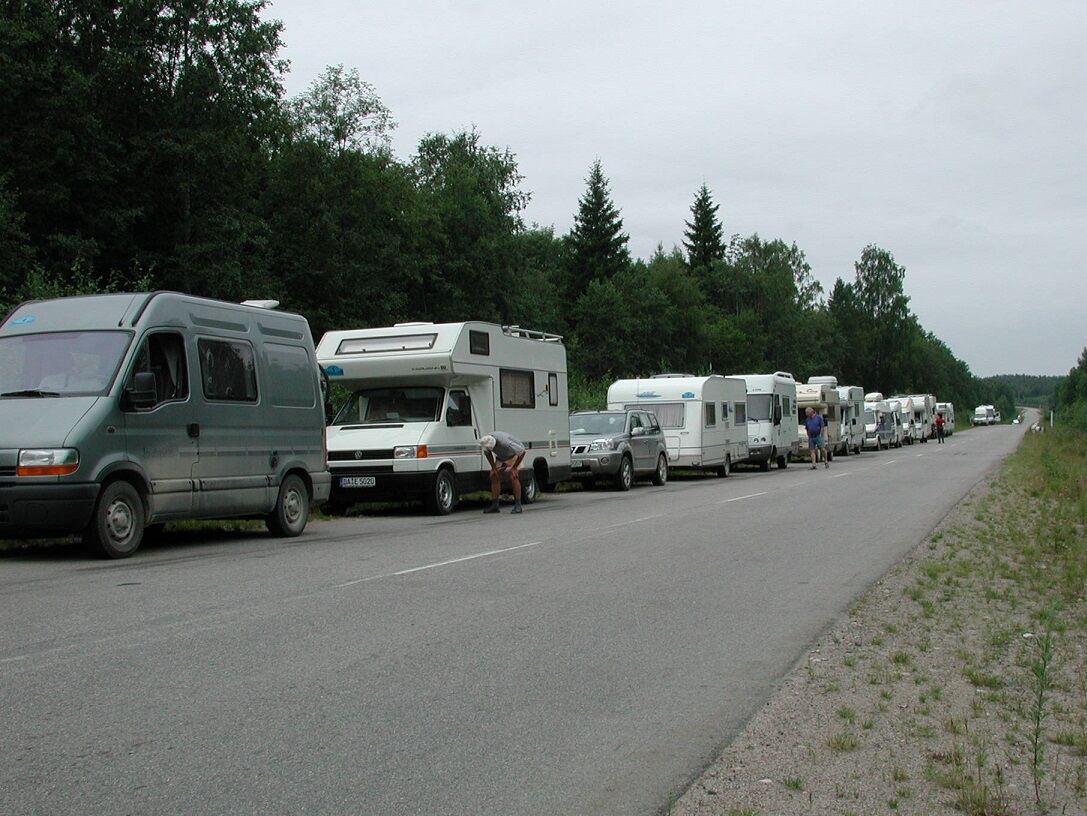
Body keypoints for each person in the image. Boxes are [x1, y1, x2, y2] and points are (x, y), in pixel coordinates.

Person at [479, 432, 526, 514]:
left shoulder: (505, 443)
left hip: (514, 456)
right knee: (494, 476)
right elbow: (488, 454)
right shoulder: (486, 441)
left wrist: (514, 468)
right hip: (501, 458)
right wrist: (494, 468)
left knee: (513, 476)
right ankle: (495, 505)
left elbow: (522, 452)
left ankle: (518, 505)